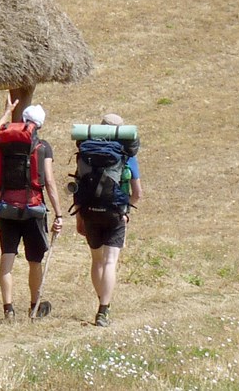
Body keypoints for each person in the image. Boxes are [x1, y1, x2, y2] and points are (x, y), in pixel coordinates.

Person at [0, 100, 64, 321]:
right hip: (32, 209)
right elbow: (49, 182)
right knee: (35, 260)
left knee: (7, 258)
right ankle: (34, 307)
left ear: (22, 120)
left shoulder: (3, 143)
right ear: (39, 125)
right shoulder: (43, 147)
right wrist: (59, 213)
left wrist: (6, 112)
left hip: (6, 208)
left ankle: (8, 309)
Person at [80, 114, 144, 327]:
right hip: (115, 213)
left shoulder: (86, 152)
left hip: (89, 212)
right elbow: (137, 193)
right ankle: (103, 310)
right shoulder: (126, 154)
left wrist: (80, 216)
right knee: (110, 261)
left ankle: (101, 300)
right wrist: (126, 211)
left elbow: (79, 188)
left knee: (96, 260)